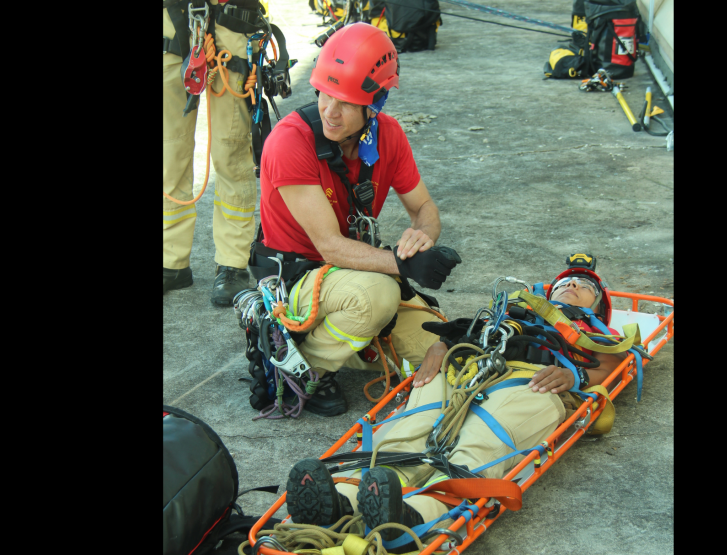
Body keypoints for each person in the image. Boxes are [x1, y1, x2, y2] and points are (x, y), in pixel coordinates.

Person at [282, 260, 630, 550]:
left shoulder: (593, 332)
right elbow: (462, 332)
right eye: (566, 282)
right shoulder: (511, 311)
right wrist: (441, 345)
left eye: (584, 286)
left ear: (598, 306)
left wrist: (575, 378)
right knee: (410, 428)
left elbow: (613, 365)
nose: (572, 286)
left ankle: (414, 514)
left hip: (533, 382)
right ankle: (344, 497)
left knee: (477, 444)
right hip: (467, 365)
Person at [254, 22, 461, 418]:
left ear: (375, 104)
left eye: (346, 102)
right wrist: (401, 264)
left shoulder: (389, 137)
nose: (330, 111)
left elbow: (424, 209)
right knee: (377, 298)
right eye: (324, 94)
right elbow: (328, 246)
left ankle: (355, 341)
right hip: (298, 278)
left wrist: (421, 239)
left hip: (351, 272)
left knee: (441, 345)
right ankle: (299, 366)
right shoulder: (288, 142)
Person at [163, 1, 264, 305]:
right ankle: (171, 260)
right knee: (170, 149)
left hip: (231, 19)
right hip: (171, 16)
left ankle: (232, 263)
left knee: (230, 149)